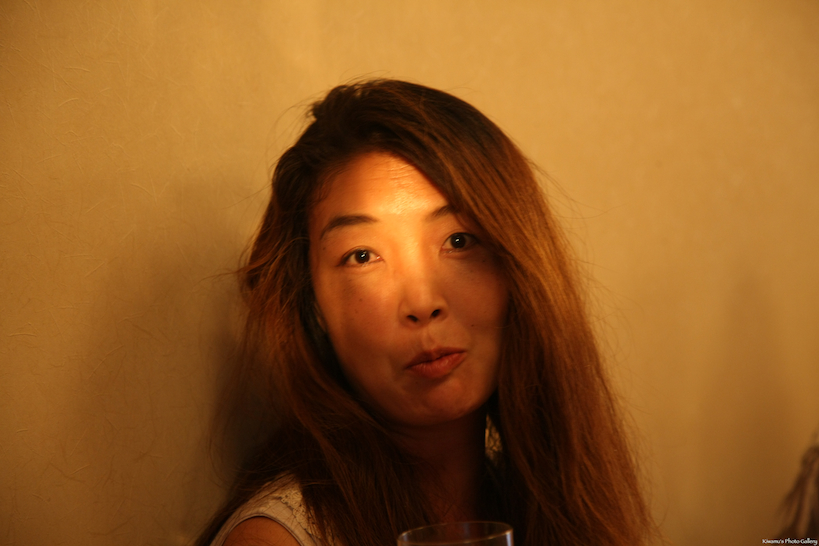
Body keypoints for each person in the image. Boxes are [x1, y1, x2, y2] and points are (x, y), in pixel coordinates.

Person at [195, 79, 654, 546]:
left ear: (519, 265)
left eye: (458, 241)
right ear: (312, 304)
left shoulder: (544, 500)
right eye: (361, 256)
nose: (421, 303)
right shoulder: (276, 539)